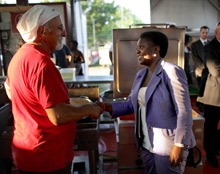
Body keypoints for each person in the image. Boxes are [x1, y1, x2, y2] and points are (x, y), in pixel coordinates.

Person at [4, 5, 104, 173]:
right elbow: (59, 116)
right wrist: (88, 109)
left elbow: (12, 93)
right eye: (59, 28)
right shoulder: (42, 64)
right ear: (42, 31)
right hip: (47, 156)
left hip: (27, 151)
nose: (64, 33)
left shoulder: (19, 57)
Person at [100, 31, 195, 174]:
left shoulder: (171, 71)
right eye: (137, 47)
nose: (137, 51)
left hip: (168, 144)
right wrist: (104, 107)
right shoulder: (140, 75)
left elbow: (184, 111)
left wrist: (179, 144)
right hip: (146, 141)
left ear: (156, 49)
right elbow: (132, 104)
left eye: (142, 46)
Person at [197, 21, 220, 168]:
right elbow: (216, 71)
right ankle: (210, 154)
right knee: (211, 126)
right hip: (214, 94)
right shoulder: (209, 48)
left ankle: (217, 147)